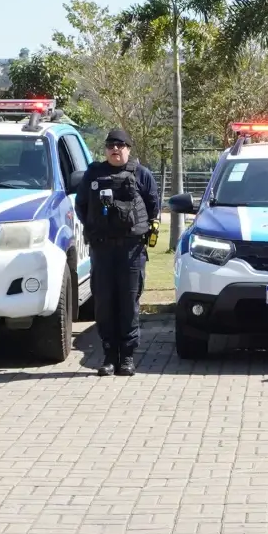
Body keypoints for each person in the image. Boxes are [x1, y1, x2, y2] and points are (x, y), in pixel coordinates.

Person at [76, 128, 158, 376]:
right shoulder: (93, 174)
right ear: (105, 149)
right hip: (102, 250)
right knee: (104, 303)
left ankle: (128, 358)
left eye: (120, 145)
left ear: (128, 149)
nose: (115, 149)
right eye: (111, 145)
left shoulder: (142, 175)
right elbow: (81, 206)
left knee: (128, 303)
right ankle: (110, 356)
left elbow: (153, 206)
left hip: (131, 250)